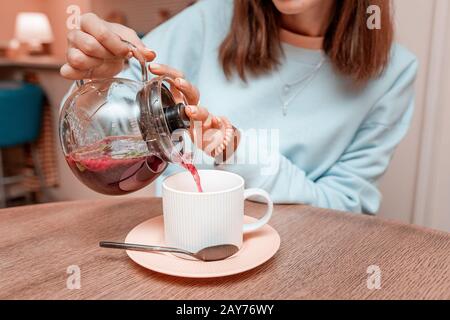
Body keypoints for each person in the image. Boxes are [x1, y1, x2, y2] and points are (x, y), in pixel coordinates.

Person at [60, 0, 418, 214]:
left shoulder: (394, 74)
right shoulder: (209, 18)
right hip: (177, 253)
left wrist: (237, 151)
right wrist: (103, 79)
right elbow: (88, 131)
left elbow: (345, 208)